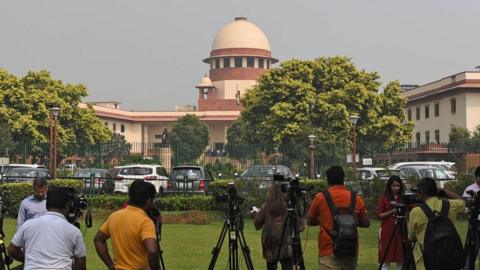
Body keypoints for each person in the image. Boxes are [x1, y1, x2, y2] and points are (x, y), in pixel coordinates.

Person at [7, 187, 86, 270]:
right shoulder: (74, 231)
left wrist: (29, 260)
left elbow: (12, 250)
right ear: (67, 206)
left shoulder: (28, 225)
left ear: (46, 205)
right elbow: (81, 265)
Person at [307, 166, 370, 270]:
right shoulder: (356, 198)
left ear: (328, 180)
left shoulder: (320, 197)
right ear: (343, 179)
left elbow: (310, 221)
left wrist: (321, 220)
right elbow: (366, 223)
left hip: (328, 249)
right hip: (350, 249)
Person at [94, 180, 160, 270]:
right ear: (148, 201)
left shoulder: (114, 216)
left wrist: (110, 265)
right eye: (153, 200)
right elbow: (152, 251)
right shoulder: (145, 221)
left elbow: (98, 240)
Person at [407, 177, 465, 270]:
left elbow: (411, 238)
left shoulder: (416, 212)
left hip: (425, 262)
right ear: (436, 191)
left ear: (422, 193)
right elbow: (462, 201)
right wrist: (444, 191)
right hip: (450, 259)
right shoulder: (450, 205)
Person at [254, 180, 303, 270]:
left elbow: (257, 223)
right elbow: (300, 227)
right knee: (287, 264)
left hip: (270, 243)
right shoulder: (289, 206)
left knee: (271, 266)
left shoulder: (266, 205)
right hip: (285, 242)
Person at [376, 175, 405, 270]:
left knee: (401, 257)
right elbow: (379, 215)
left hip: (401, 231)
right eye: (394, 186)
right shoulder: (383, 198)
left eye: (398, 186)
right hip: (387, 230)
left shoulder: (403, 198)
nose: (396, 188)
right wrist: (392, 211)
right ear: (389, 186)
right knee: (385, 256)